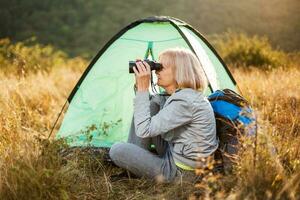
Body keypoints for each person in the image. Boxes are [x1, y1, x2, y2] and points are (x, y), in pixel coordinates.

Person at [109, 47, 218, 182]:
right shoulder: (186, 94)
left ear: (179, 72)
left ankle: (133, 163)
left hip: (182, 173)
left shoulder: (185, 101)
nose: (156, 71)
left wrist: (143, 89)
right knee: (152, 104)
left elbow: (144, 130)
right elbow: (151, 103)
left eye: (161, 67)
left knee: (116, 150)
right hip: (176, 154)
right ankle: (134, 163)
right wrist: (141, 83)